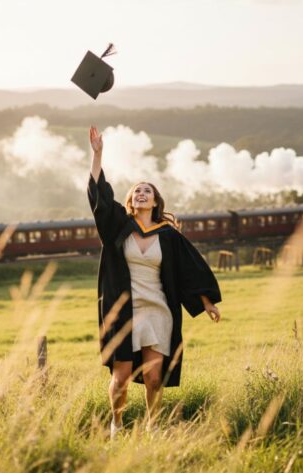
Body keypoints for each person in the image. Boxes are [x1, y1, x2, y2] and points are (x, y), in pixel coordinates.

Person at [86, 126, 222, 438]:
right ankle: (116, 424)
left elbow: (191, 270)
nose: (141, 193)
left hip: (158, 310)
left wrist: (207, 302)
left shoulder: (169, 235)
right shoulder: (119, 227)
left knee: (154, 377)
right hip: (124, 311)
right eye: (137, 191)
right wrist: (98, 155)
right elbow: (100, 199)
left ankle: (153, 426)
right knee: (120, 377)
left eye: (147, 190)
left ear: (155, 200)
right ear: (131, 201)